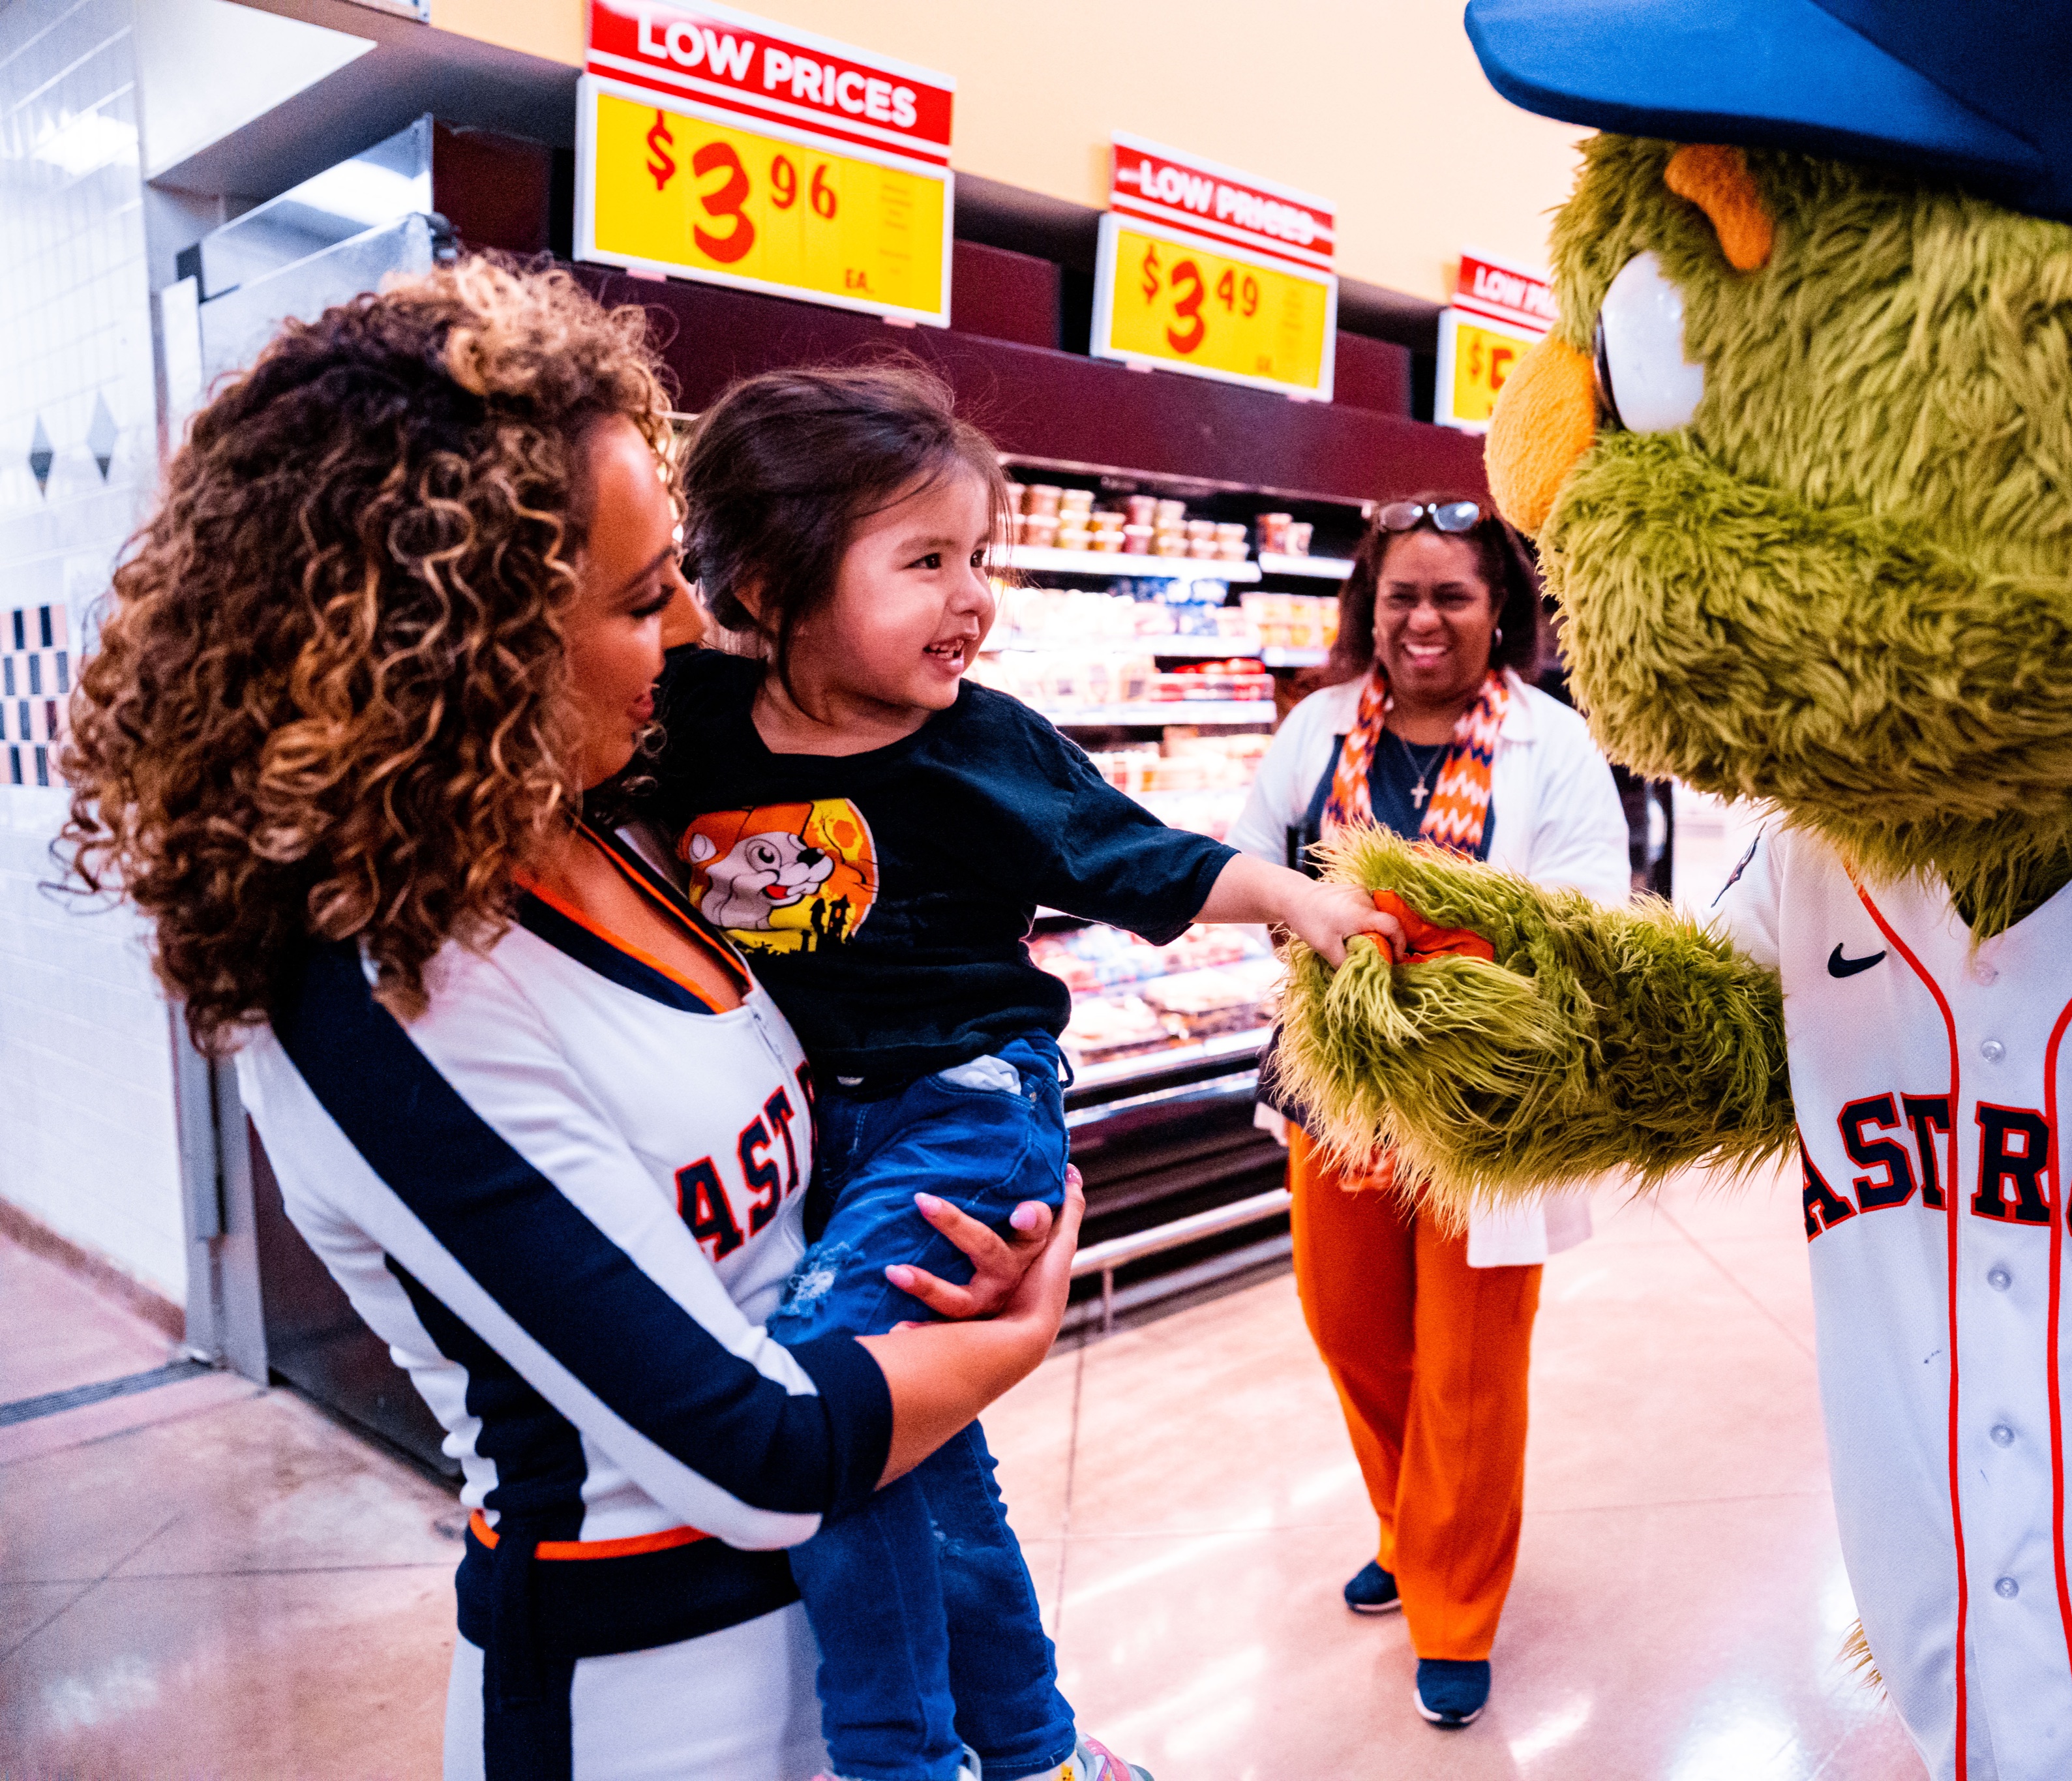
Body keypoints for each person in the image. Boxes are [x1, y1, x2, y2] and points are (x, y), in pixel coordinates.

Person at [57, 258, 1079, 1781]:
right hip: (650, 1703)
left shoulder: (609, 824)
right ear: (458, 648)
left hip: (857, 1633)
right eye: (632, 593)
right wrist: (1018, 1323)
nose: (686, 622)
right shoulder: (373, 1002)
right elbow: (759, 1446)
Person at [648, 363, 1399, 1781]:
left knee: (828, 1395)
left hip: (965, 1113)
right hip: (819, 1130)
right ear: (772, 582)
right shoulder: (687, 719)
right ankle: (1037, 1747)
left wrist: (1298, 902)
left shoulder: (987, 749)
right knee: (931, 1463)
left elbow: (1145, 856)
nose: (973, 596)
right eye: (923, 560)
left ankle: (896, 1758)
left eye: (977, 556)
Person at [1227, 493, 1630, 1728]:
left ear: (1499, 608)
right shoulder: (1313, 731)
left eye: (1452, 594)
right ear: (1370, 606)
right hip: (1332, 1097)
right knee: (1350, 1328)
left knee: (1468, 1364)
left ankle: (1453, 1604)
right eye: (1401, 593)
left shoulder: (1550, 746)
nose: (1423, 619)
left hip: (1479, 1110)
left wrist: (1436, 950)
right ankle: (1409, 1526)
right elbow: (1246, 860)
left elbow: (1587, 912)